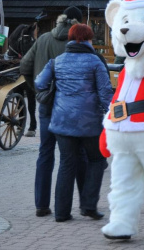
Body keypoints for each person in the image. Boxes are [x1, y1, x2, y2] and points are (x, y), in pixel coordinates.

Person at [34, 24, 113, 222]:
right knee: (97, 160)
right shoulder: (95, 61)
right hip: (89, 123)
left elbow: (39, 83)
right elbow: (105, 93)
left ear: (70, 39)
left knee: (66, 164)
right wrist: (113, 115)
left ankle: (61, 213)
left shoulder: (57, 61)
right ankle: (88, 205)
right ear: (88, 40)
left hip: (62, 121)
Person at [20, 6, 83, 217]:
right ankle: (82, 204)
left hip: (46, 104)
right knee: (73, 155)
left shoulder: (44, 38)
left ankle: (41, 204)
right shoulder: (77, 43)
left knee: (45, 152)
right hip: (70, 107)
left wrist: (37, 89)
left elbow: (25, 66)